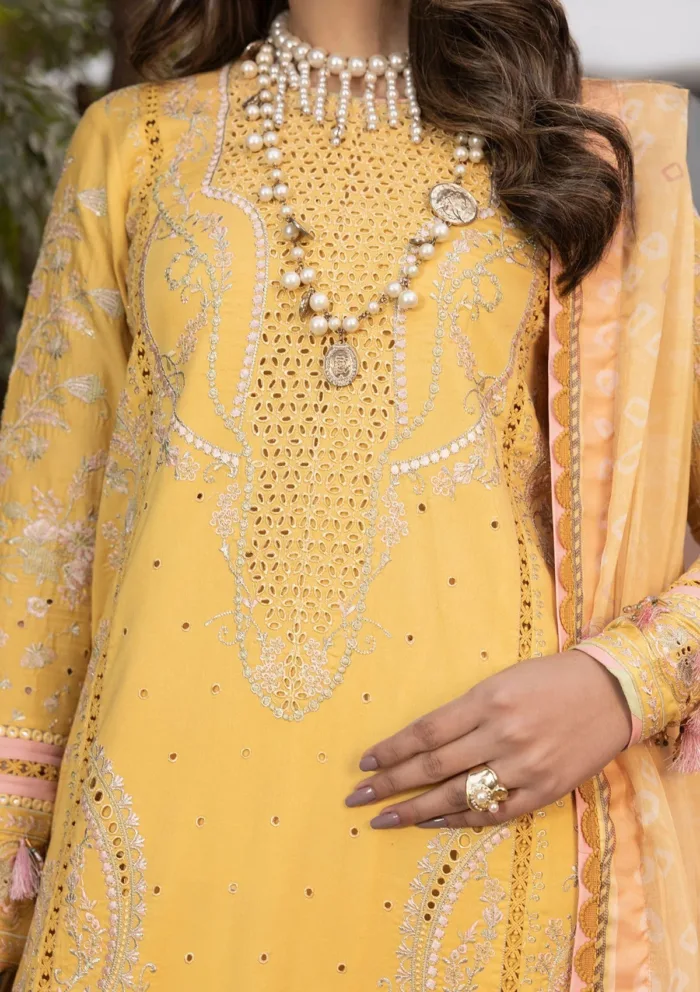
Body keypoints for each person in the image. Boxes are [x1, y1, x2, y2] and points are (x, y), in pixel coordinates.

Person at [0, 1, 698, 989]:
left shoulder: (592, 157)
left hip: (481, 837)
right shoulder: (137, 143)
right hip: (151, 847)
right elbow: (39, 547)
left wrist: (624, 684)